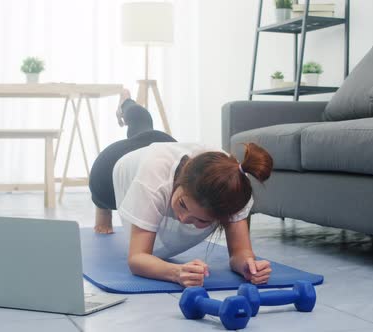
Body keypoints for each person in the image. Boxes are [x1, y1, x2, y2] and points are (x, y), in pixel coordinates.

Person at [88, 90, 274, 287]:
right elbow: (137, 258)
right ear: (180, 180)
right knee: (139, 127)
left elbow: (240, 252)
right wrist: (176, 272)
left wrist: (248, 265)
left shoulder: (232, 187)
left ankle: (127, 105)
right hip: (112, 165)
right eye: (183, 204)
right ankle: (127, 103)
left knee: (141, 127)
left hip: (162, 147)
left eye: (201, 220)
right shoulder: (153, 182)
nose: (184, 219)